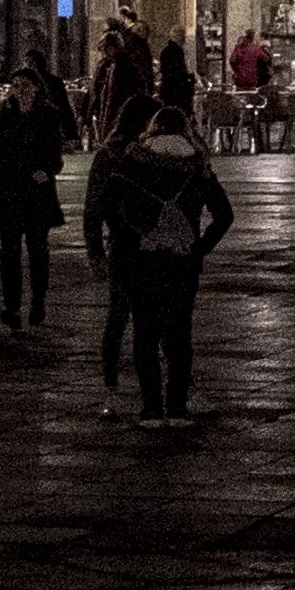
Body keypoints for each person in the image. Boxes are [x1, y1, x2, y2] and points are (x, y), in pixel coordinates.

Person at [93, 88, 227, 421]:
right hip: (182, 262)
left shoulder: (133, 160)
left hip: (142, 259)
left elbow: (104, 205)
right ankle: (178, 407)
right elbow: (225, 215)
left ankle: (152, 407)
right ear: (186, 130)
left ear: (152, 128)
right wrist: (199, 247)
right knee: (180, 334)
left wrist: (132, 232)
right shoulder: (198, 166)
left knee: (145, 333)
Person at [0, 54, 75, 332]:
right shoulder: (6, 116)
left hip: (35, 192)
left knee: (37, 250)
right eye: (15, 85)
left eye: (25, 85)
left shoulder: (48, 115)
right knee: (9, 251)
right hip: (8, 190)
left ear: (36, 88)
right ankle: (12, 305)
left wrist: (47, 170)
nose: (20, 90)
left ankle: (38, 300)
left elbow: (54, 153)